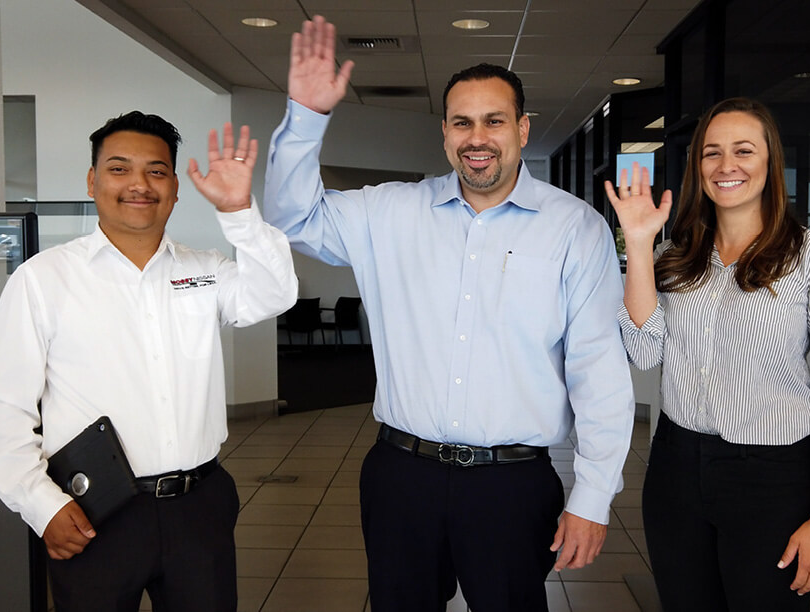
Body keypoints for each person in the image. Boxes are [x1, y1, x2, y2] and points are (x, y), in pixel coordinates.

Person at [262, 16, 636, 612]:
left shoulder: (575, 228)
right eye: (462, 122)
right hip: (401, 477)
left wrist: (592, 497)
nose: (476, 137)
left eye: (494, 120)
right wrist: (306, 117)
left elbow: (598, 368)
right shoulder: (389, 212)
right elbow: (291, 219)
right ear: (444, 133)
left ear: (522, 128)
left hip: (512, 486)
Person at [0, 111, 297, 612]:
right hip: (93, 510)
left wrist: (240, 212)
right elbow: (1, 410)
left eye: (156, 170)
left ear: (175, 187)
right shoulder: (43, 280)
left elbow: (275, 293)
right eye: (119, 168)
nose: (139, 184)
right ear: (92, 181)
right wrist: (42, 505)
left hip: (199, 505)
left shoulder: (204, 271)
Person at [606, 97, 810, 612]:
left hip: (773, 478)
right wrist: (638, 244)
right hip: (676, 469)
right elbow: (643, 352)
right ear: (697, 166)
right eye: (712, 152)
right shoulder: (672, 256)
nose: (726, 166)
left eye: (744, 151)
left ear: (771, 162)